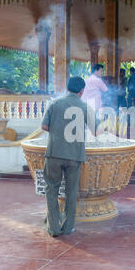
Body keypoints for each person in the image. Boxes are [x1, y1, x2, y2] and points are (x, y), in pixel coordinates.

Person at [41, 77, 102, 237]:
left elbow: (44, 126)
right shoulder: (85, 107)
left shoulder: (55, 104)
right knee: (71, 191)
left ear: (67, 88)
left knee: (51, 189)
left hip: (54, 153)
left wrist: (58, 132)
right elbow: (96, 131)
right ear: (81, 91)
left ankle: (53, 227)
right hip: (75, 156)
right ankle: (68, 227)